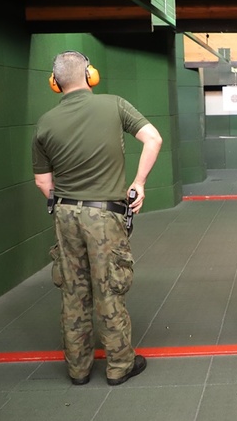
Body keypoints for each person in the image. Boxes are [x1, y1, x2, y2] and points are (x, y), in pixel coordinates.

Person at [32, 50, 163, 386]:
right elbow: (153, 138)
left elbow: (42, 181)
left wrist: (64, 205)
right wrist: (139, 183)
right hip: (103, 214)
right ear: (90, 75)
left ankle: (78, 369)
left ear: (55, 83)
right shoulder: (114, 104)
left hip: (64, 211)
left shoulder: (45, 122)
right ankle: (119, 366)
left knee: (73, 291)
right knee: (108, 288)